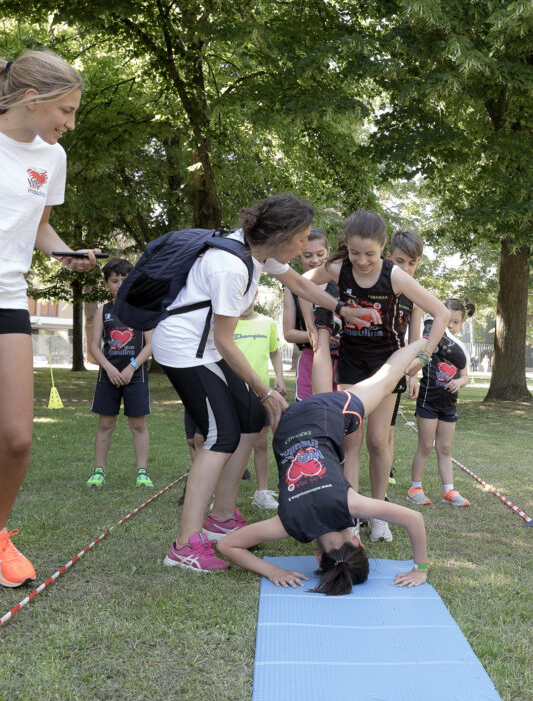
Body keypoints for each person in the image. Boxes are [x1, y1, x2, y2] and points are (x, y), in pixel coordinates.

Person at [153, 193, 377, 573]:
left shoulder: (257, 252)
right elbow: (226, 340)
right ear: (281, 234)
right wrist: (266, 390)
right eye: (302, 237)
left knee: (251, 419)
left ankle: (221, 517)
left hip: (204, 348)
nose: (305, 246)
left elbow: (299, 284)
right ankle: (184, 545)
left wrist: (343, 309)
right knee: (220, 435)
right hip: (184, 350)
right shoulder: (231, 267)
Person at [217, 340, 429, 594]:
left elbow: (414, 519)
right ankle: (323, 333)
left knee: (386, 380)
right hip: (287, 423)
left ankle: (422, 341)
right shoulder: (288, 524)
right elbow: (228, 546)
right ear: (318, 558)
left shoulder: (350, 503)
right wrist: (272, 571)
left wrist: (421, 568)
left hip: (327, 413)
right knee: (345, 443)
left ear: (357, 543)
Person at [0, 49, 100, 588]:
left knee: (16, 438)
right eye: (66, 109)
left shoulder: (52, 159)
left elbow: (37, 225)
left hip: (9, 298)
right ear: (32, 100)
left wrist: (64, 252)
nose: (70, 122)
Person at [302, 209, 449, 544]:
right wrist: (316, 323)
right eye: (355, 254)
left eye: (370, 254)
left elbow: (440, 312)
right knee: (351, 438)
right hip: (351, 362)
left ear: (382, 248)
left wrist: (423, 356)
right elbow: (300, 282)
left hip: (387, 364)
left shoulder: (395, 276)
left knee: (378, 440)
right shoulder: (339, 268)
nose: (363, 262)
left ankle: (378, 511)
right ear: (347, 249)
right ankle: (351, 516)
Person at [87, 258, 153, 488]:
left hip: (135, 375)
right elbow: (94, 346)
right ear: (107, 284)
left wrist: (131, 366)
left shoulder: (142, 309)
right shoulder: (103, 311)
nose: (120, 284)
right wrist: (109, 368)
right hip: (109, 375)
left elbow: (151, 344)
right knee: (105, 424)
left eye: (125, 279)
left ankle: (142, 472)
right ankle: (99, 471)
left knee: (138, 425)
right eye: (114, 280)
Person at [407, 298, 475, 508]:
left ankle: (449, 491)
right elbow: (415, 359)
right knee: (426, 446)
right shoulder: (431, 338)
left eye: (455, 322)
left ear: (461, 324)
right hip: (428, 401)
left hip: (449, 405)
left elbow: (465, 376)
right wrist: (412, 378)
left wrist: (459, 382)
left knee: (444, 448)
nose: (450, 326)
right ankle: (415, 489)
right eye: (447, 321)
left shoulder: (460, 348)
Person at [233, 293, 285, 509]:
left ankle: (262, 493)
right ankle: (223, 495)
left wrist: (279, 377)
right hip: (231, 391)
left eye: (248, 296)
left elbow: (275, 352)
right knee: (228, 444)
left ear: (255, 294)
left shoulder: (268, 323)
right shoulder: (226, 323)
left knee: (261, 443)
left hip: (260, 393)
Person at [385, 229, 424, 485]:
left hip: (396, 367)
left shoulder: (416, 296)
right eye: (400, 261)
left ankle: (384, 474)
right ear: (388, 257)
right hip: (363, 364)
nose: (405, 268)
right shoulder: (374, 286)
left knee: (386, 432)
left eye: (411, 263)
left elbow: (416, 340)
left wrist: (414, 374)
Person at [282, 227, 340, 400]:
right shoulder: (292, 288)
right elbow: (288, 333)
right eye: (308, 255)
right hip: (310, 358)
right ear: (299, 254)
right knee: (311, 413)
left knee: (342, 416)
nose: (315, 260)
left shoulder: (342, 283)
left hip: (345, 361)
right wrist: (318, 336)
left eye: (320, 254)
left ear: (328, 252)